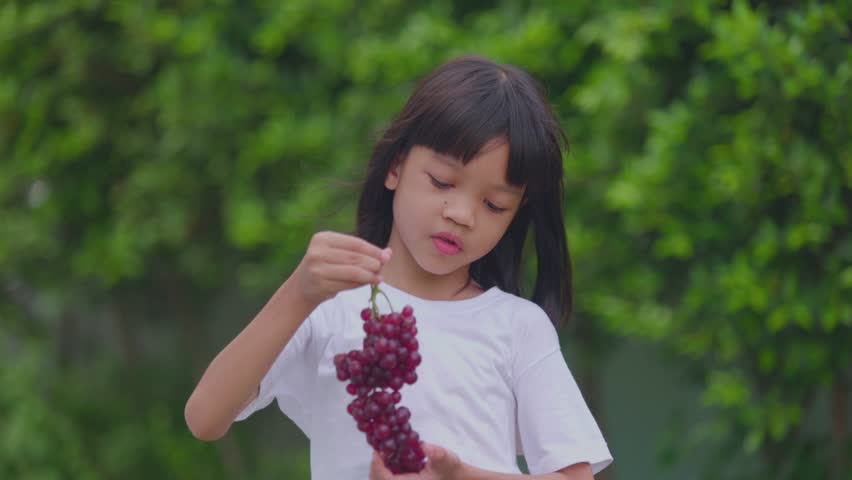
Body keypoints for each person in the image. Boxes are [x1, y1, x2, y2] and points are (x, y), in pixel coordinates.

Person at [185, 55, 613, 479]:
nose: (462, 214)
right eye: (443, 182)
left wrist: (462, 477)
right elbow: (205, 418)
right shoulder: (326, 308)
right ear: (395, 166)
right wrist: (298, 293)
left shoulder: (517, 325)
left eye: (494, 205)